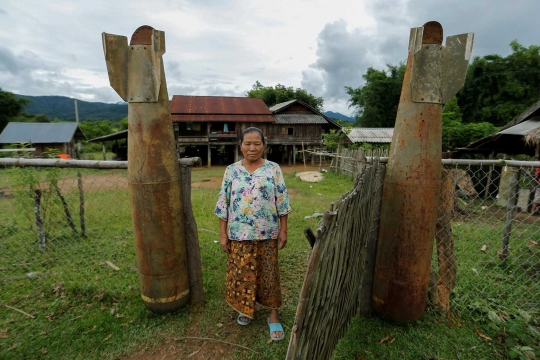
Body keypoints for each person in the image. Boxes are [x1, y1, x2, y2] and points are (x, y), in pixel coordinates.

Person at [214, 127, 291, 341]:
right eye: (248, 143)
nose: (252, 148)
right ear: (240, 145)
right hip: (239, 233)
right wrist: (223, 234)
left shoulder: (273, 169)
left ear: (264, 145)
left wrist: (283, 230)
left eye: (257, 143)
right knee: (242, 273)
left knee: (269, 274)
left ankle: (273, 315)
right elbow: (224, 203)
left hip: (268, 232)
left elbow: (282, 201)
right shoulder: (232, 170)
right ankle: (246, 308)